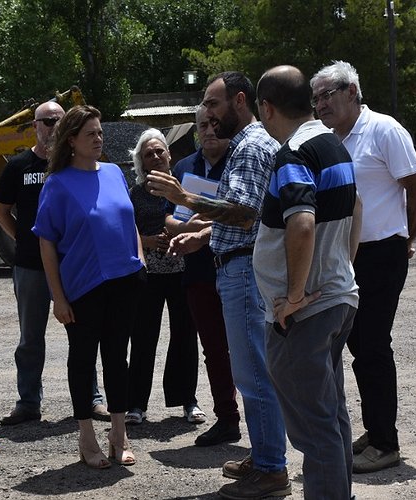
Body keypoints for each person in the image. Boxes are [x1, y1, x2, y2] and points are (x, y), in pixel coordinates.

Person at [147, 72, 289, 496]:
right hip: (244, 264)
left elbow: (243, 213)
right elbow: (251, 214)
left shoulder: (247, 146)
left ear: (239, 101)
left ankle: (271, 468)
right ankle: (266, 454)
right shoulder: (257, 141)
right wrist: (204, 233)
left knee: (253, 374)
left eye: (212, 103)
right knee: (253, 371)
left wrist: (185, 199)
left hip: (244, 270)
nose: (206, 113)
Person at [311, 60, 416, 473]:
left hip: (382, 254)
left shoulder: (384, 130)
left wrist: (405, 241)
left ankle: (386, 443)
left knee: (374, 347)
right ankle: (375, 429)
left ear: (351, 92)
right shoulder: (330, 140)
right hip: (348, 256)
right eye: (315, 98)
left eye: (327, 94)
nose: (320, 104)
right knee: (358, 346)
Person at [252, 64, 361, 499]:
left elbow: (300, 223)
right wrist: (341, 269)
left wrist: (293, 297)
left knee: (315, 431)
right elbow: (358, 210)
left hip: (305, 313)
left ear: (266, 107)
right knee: (331, 418)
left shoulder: (293, 153)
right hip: (336, 299)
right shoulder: (333, 145)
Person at [32, 105, 144, 469]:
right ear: (71, 141)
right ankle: (86, 435)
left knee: (117, 358)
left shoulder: (113, 172)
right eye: (90, 134)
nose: (99, 139)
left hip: (124, 281)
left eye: (99, 132)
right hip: (83, 287)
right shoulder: (58, 183)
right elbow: (46, 242)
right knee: (83, 360)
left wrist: (139, 258)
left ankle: (118, 432)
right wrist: (57, 297)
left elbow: (129, 220)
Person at [0, 102, 108, 425]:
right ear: (34, 126)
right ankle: (28, 402)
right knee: (30, 338)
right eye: (46, 121)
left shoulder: (73, 167)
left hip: (73, 265)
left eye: (59, 120)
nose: (53, 126)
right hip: (30, 266)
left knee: (83, 334)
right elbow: (0, 212)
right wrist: (24, 238)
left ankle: (91, 399)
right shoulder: (18, 166)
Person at [164, 105, 241, 446]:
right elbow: (168, 219)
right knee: (213, 349)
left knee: (247, 348)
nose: (209, 130)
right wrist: (188, 226)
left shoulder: (240, 161)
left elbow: (242, 213)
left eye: (214, 124)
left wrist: (198, 223)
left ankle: (264, 421)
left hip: (238, 267)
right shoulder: (183, 167)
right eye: (202, 125)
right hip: (197, 274)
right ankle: (227, 418)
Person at [125, 128, 203, 426]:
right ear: (141, 162)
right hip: (149, 274)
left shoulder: (187, 187)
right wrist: (144, 241)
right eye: (149, 154)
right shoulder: (134, 194)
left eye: (160, 151)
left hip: (183, 270)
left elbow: (199, 219)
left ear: (170, 155)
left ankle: (188, 401)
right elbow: (124, 230)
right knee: (143, 337)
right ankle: (136, 405)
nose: (156, 157)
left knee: (185, 336)